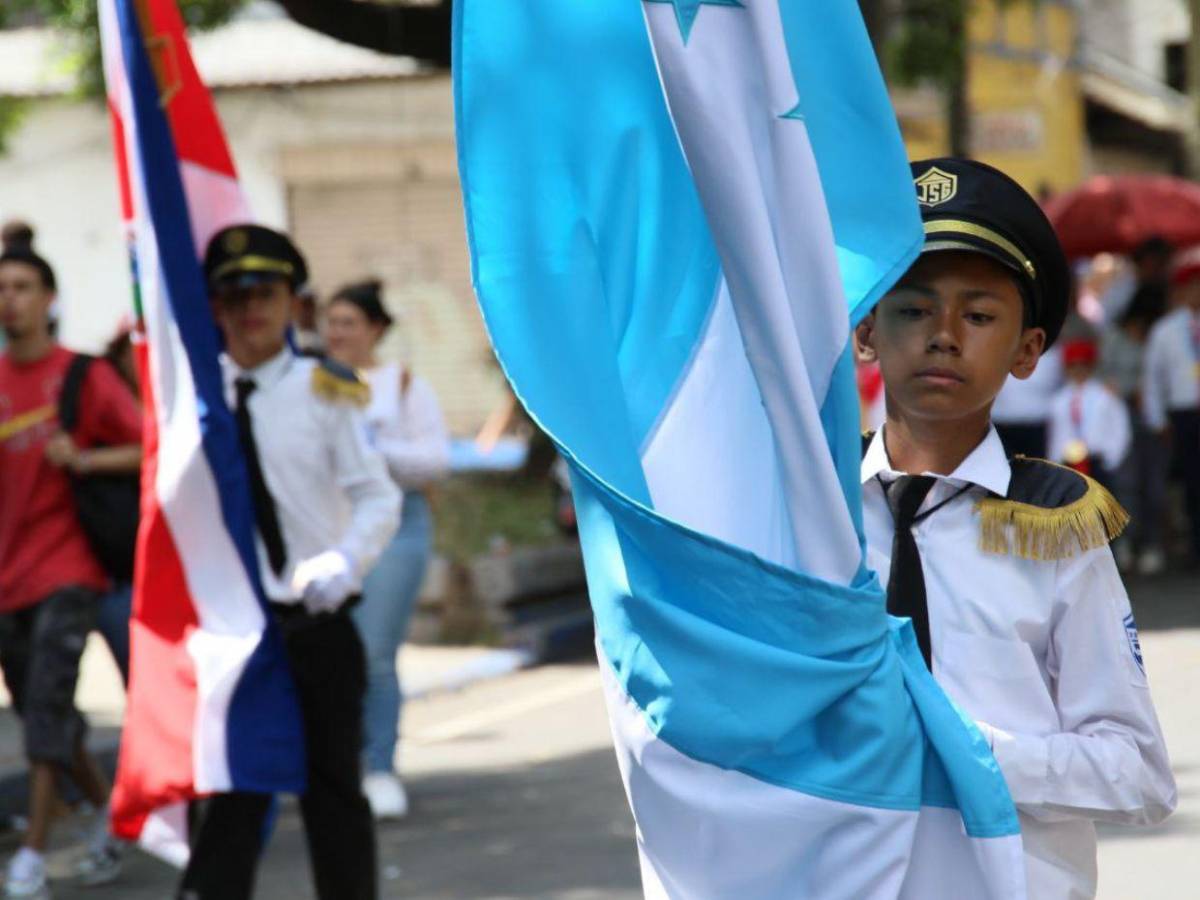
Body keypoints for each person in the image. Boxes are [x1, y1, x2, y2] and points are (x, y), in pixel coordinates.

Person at [854, 158, 1176, 899]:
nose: (942, 336)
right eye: (912, 309)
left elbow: (1138, 774)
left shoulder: (1055, 529)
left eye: (978, 315)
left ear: (1029, 351)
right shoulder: (812, 513)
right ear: (867, 331)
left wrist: (970, 754)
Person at [179, 225, 399, 900]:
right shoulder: (192, 398)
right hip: (231, 629)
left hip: (315, 620)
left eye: (266, 292)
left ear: (291, 302)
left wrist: (344, 561)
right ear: (214, 305)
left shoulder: (325, 389)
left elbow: (377, 496)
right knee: (232, 791)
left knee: (334, 790)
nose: (252, 309)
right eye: (236, 294)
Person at [0, 249, 143, 898]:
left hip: (71, 567)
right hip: (9, 575)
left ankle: (32, 852)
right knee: (43, 709)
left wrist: (83, 459)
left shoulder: (81, 375)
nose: (11, 300)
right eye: (1, 288)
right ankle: (110, 816)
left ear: (49, 298)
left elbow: (149, 443)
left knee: (47, 703)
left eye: (23, 287)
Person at [323, 279, 450, 819]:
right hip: (331, 527)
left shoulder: (403, 387)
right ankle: (336, 766)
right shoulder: (313, 383)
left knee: (373, 653)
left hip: (397, 525)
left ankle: (380, 768)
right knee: (330, 655)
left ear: (375, 329)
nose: (336, 333)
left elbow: (435, 461)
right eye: (331, 322)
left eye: (348, 322)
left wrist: (373, 446)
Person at [1100, 286, 1168, 573]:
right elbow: (1102, 374)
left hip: (1151, 418)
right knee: (1126, 484)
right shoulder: (1114, 339)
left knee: (1154, 486)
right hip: (1120, 416)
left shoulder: (1156, 339)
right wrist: (1123, 390)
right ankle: (1126, 543)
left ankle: (1152, 543)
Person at [1142, 255, 1200, 570]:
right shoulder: (1166, 331)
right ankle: (1193, 545)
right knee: (1190, 482)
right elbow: (1154, 378)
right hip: (1185, 413)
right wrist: (1158, 419)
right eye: (1190, 287)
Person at [1047, 337, 1131, 489]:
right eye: (1073, 365)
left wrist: (1112, 459)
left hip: (1097, 460)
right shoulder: (1059, 400)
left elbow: (1120, 428)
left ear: (1092, 366)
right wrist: (1055, 461)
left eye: (1083, 365)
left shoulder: (1105, 395)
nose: (1078, 370)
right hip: (1068, 462)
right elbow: (1056, 433)